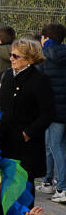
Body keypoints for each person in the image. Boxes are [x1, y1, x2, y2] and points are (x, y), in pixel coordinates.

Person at [0, 37, 54, 196]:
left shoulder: (40, 80)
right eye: (11, 55)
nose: (11, 59)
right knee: (1, 188)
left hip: (25, 146)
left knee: (24, 193)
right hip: (3, 140)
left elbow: (48, 113)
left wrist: (28, 132)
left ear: (29, 59)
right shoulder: (4, 75)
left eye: (16, 56)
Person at [37, 23, 66, 203]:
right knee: (53, 146)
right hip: (61, 110)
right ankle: (49, 183)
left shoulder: (44, 56)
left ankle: (62, 188)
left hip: (53, 111)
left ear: (46, 38)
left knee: (56, 148)